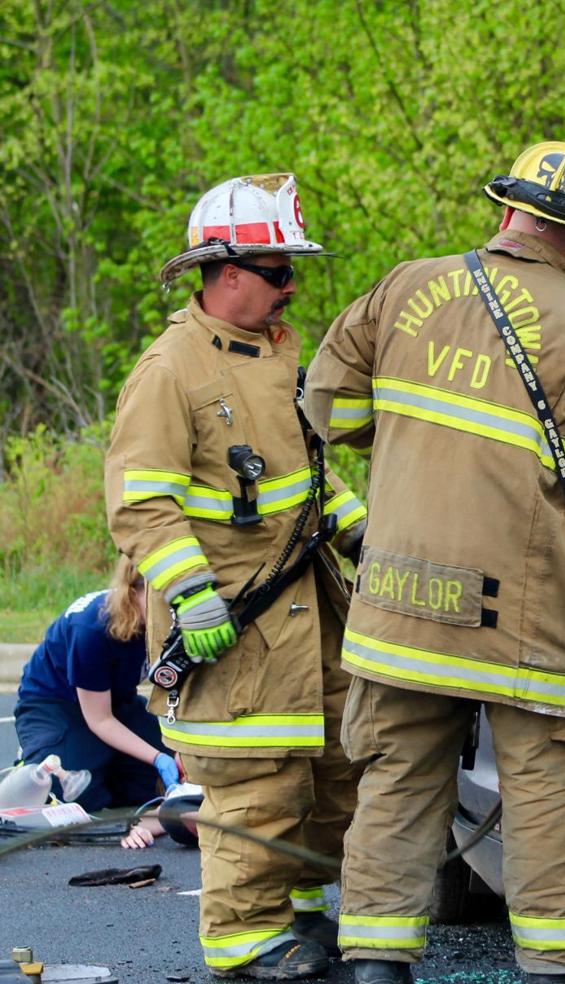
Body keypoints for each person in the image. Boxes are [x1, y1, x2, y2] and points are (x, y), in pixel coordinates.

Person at [304, 141, 565, 984]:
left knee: (394, 781)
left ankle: (378, 965)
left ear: (507, 212)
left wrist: (419, 442)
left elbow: (330, 405)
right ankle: (561, 964)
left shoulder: (407, 285)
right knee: (544, 788)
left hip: (398, 602)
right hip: (528, 620)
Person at [105, 173, 367, 980]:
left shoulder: (279, 355)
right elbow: (141, 503)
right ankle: (243, 941)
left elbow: (309, 477)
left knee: (334, 773)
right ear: (225, 275)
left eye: (293, 271)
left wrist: (367, 536)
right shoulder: (171, 369)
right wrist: (189, 593)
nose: (292, 287)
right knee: (255, 785)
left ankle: (303, 916)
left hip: (310, 609)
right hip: (234, 626)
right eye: (278, 272)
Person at [13, 555, 173, 813]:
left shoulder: (166, 622)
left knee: (152, 785)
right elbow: (100, 720)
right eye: (160, 599)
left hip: (116, 701)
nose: (169, 609)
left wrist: (173, 754)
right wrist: (157, 757)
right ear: (133, 592)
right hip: (55, 705)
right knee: (73, 798)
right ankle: (37, 755)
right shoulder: (92, 629)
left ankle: (102, 763)